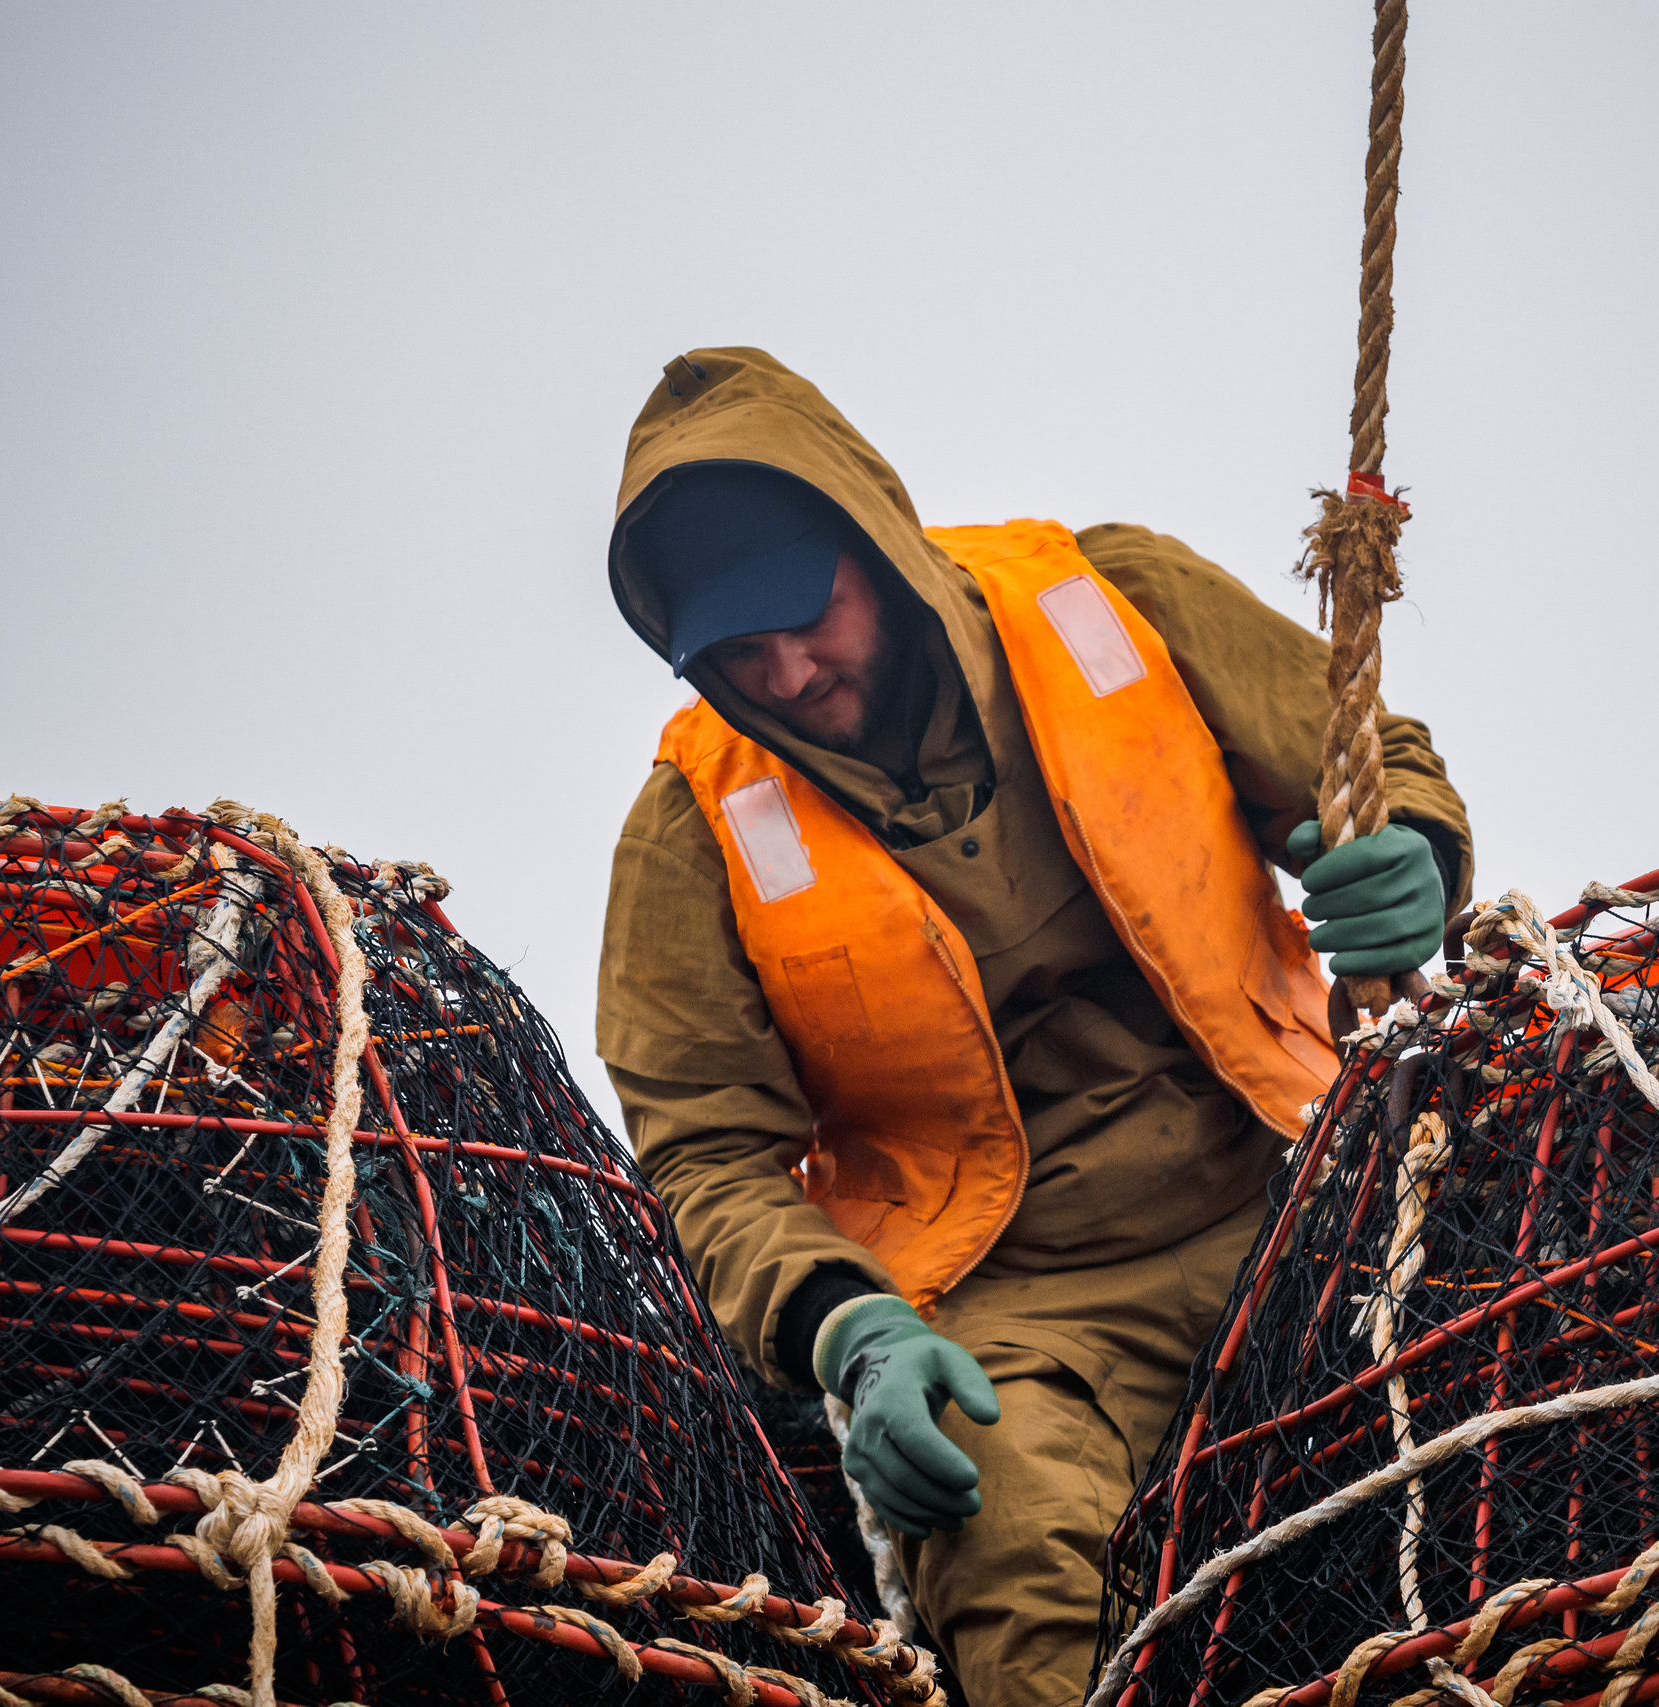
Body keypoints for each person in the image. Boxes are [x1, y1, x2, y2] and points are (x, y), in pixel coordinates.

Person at [598, 348, 1472, 1707]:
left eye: (801, 611)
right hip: (1013, 1315)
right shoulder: (693, 826)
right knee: (1002, 1542)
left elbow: (1370, 754)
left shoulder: (1110, 595)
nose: (785, 668)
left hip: (1300, 1192)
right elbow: (707, 1156)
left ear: (875, 543)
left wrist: (1411, 853)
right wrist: (856, 1335)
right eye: (732, 649)